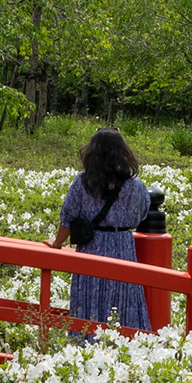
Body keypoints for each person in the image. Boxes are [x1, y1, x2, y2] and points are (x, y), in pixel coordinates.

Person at [51, 125, 150, 331]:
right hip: (124, 248)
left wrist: (57, 243)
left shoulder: (83, 182)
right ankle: (126, 341)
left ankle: (86, 340)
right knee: (123, 298)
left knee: (90, 300)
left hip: (92, 248)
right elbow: (142, 214)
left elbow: (68, 218)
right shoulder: (135, 185)